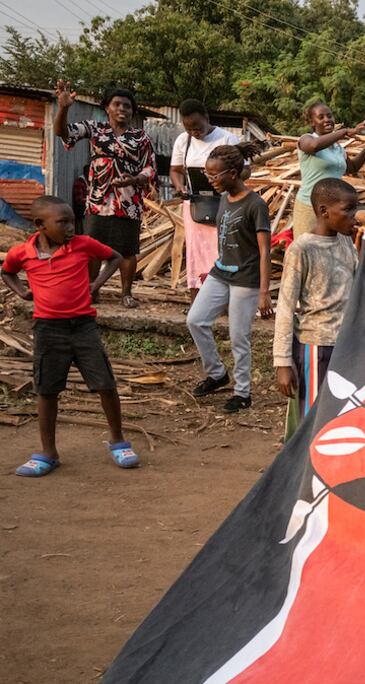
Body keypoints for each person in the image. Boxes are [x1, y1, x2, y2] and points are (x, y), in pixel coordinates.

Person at [2, 196, 139, 476]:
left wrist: (95, 285)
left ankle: (117, 440)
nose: (70, 227)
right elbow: (7, 272)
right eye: (62, 222)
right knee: (47, 390)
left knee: (105, 383)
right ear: (40, 225)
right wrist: (22, 292)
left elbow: (113, 256)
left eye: (71, 221)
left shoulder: (83, 245)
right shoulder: (22, 253)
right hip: (48, 330)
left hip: (83, 327)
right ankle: (48, 453)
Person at [186, 144, 273, 413]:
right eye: (207, 174)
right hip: (220, 272)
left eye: (214, 176)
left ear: (233, 173)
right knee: (195, 320)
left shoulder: (255, 204)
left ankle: (242, 393)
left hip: (245, 279)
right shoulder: (223, 196)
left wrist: (263, 291)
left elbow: (264, 250)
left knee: (239, 337)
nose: (210, 180)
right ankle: (217, 374)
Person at [54, 80, 155, 310]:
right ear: (107, 108)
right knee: (93, 247)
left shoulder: (141, 138)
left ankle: (126, 294)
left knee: (128, 250)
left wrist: (135, 179)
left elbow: (149, 168)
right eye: (117, 104)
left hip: (129, 200)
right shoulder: (94, 129)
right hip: (98, 198)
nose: (122, 109)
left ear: (132, 111)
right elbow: (63, 133)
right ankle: (93, 289)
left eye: (127, 106)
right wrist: (64, 108)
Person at [274, 178, 359, 438]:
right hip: (316, 346)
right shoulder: (302, 249)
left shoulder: (346, 242)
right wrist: (282, 362)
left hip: (345, 344)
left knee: (337, 417)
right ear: (324, 211)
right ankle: (306, 473)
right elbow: (286, 307)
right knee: (313, 419)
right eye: (348, 210)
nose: (355, 216)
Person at [169, 99, 244, 301]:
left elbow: (245, 170)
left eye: (198, 127)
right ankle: (199, 297)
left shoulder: (228, 139)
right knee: (196, 254)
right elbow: (176, 170)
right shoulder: (183, 141)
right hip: (196, 206)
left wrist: (224, 179)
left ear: (207, 118)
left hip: (226, 204)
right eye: (189, 128)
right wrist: (179, 185)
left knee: (223, 251)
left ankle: (225, 300)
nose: (194, 132)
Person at [293, 101, 365, 237]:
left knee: (332, 247)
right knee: (307, 247)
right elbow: (313, 146)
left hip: (334, 209)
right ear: (312, 122)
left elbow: (351, 167)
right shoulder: (306, 139)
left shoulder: (337, 148)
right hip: (309, 207)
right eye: (321, 117)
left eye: (329, 116)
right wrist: (344, 132)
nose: (327, 120)